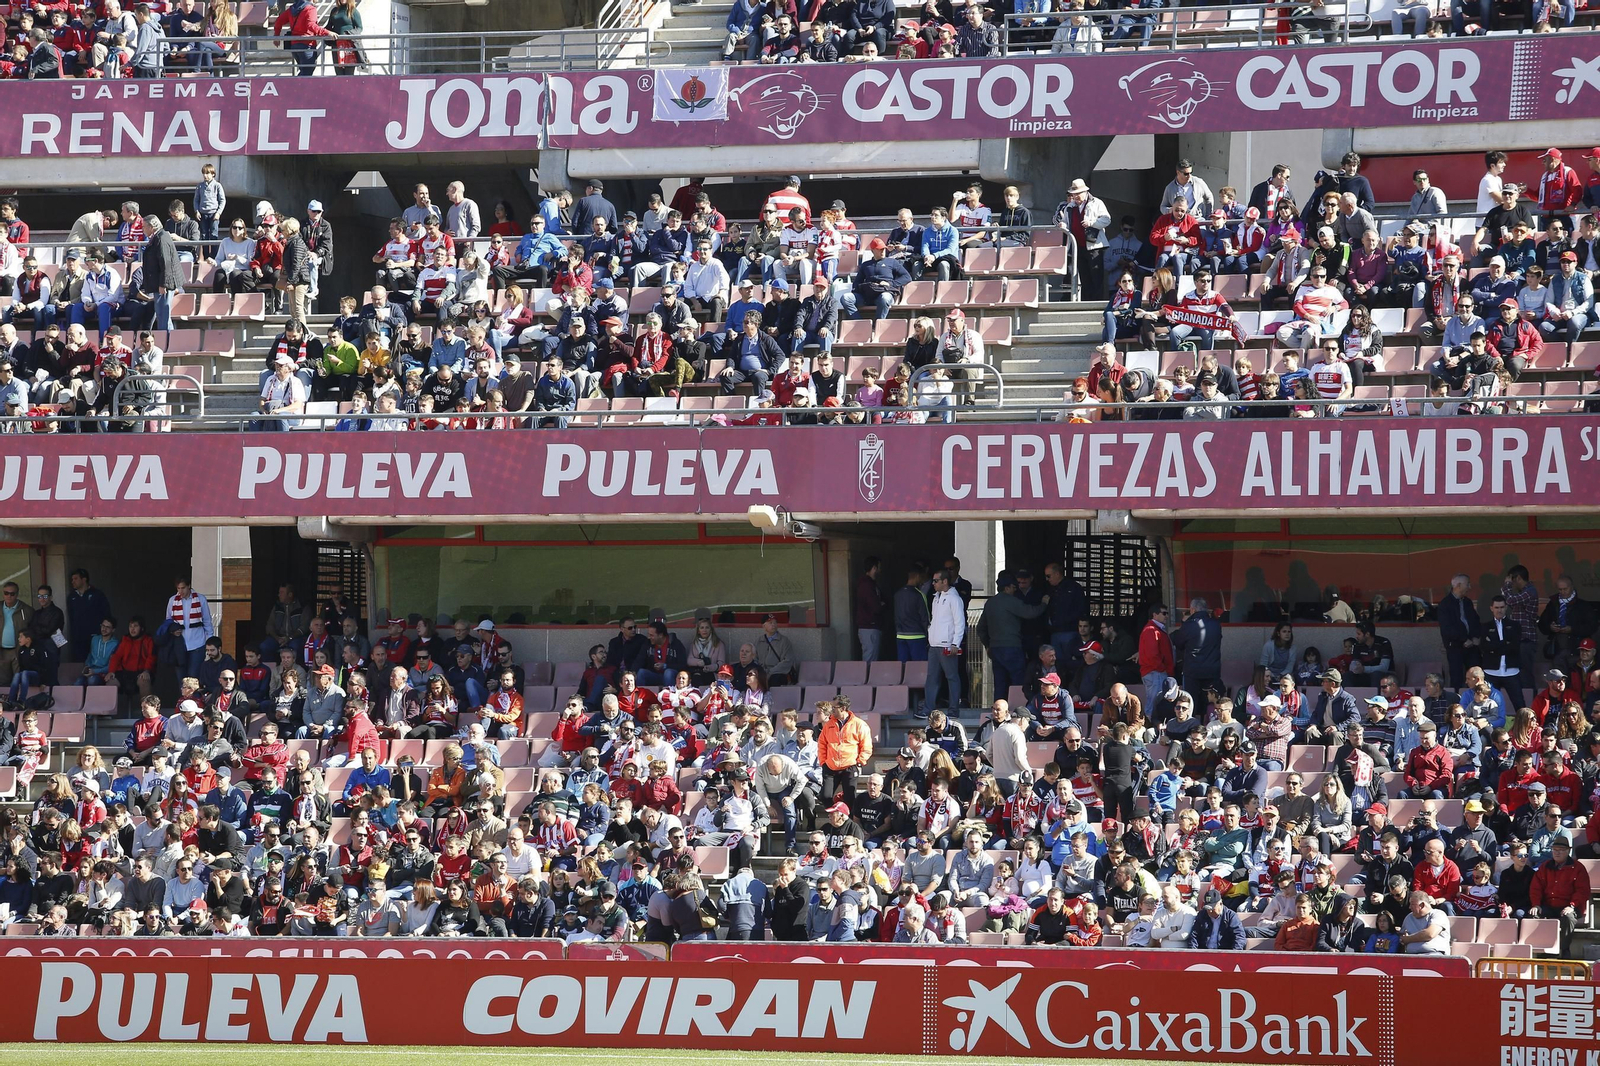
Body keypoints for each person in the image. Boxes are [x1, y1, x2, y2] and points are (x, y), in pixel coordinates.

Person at [976, 570, 1047, 704]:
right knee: (1018, 682)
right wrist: (1044, 604)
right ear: (1007, 587)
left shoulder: (990, 603)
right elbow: (1030, 613)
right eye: (1014, 587)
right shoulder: (1012, 601)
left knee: (1000, 683)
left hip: (996, 649)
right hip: (1012, 647)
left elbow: (980, 628)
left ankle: (998, 711)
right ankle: (1017, 711)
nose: (1016, 590)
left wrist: (988, 645)